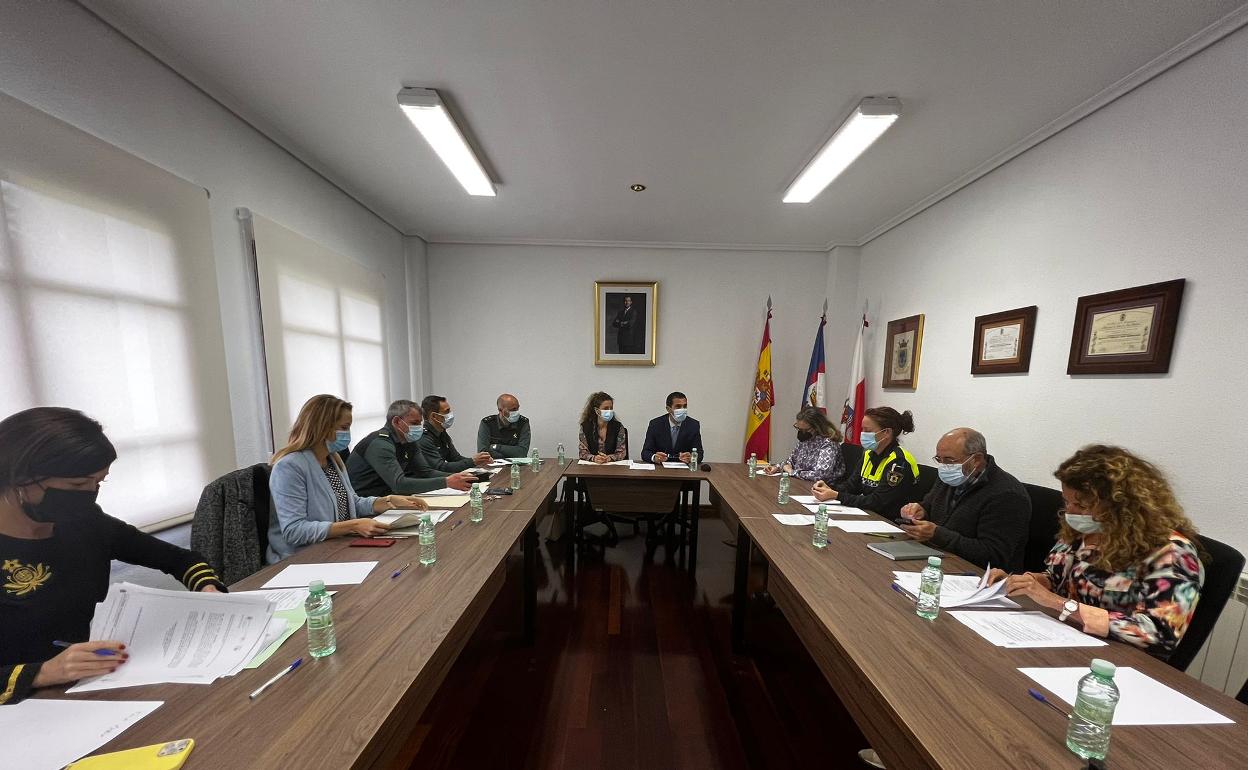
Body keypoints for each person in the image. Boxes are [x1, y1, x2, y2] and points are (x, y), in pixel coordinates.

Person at [0, 407, 227, 705]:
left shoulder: (85, 522)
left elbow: (181, 560)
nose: (90, 494)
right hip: (22, 712)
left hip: (93, 688)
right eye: (77, 485)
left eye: (99, 483)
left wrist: (209, 591)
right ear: (22, 477)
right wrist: (42, 672)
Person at [989, 445, 1204, 660]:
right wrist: (1025, 582)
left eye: (1082, 505)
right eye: (1067, 501)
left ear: (1121, 505)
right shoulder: (1082, 531)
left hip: (1120, 661)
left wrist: (1059, 604)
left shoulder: (1171, 553)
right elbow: (1059, 579)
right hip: (1064, 640)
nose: (1070, 512)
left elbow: (1158, 633)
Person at [267, 395, 426, 563]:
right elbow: (294, 530)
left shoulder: (332, 459)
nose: (347, 434)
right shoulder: (290, 467)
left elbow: (351, 504)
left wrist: (387, 501)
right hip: (302, 558)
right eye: (343, 427)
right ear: (322, 427)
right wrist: (353, 525)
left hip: (337, 547)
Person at [897, 428, 1031, 571]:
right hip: (937, 557)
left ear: (976, 460)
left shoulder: (1007, 494)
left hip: (980, 576)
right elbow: (930, 506)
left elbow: (994, 555)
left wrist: (937, 534)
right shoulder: (950, 477)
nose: (943, 466)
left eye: (949, 460)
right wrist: (920, 510)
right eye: (939, 459)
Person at [348, 400, 474, 497]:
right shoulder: (380, 444)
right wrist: (446, 482)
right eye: (414, 423)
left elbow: (426, 472)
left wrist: (459, 477)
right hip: (367, 506)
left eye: (420, 422)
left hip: (391, 500)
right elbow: (399, 484)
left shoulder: (408, 439)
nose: (419, 427)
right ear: (397, 422)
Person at [812, 406, 919, 520]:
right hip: (868, 516)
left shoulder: (899, 462)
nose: (862, 434)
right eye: (862, 429)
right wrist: (829, 488)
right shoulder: (869, 454)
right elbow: (852, 486)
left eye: (867, 431)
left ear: (886, 432)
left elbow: (878, 502)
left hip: (891, 522)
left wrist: (836, 495)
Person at [765, 406, 846, 484]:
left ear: (817, 427)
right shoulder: (805, 440)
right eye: (799, 429)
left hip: (823, 488)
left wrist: (792, 472)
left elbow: (821, 475)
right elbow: (791, 461)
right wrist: (778, 467)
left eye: (806, 430)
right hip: (800, 483)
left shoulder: (828, 443)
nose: (802, 433)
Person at [417, 395, 491, 473]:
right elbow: (440, 467)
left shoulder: (442, 433)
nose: (450, 414)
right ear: (434, 416)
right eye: (447, 411)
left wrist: (479, 461)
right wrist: (472, 461)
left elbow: (455, 458)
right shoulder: (424, 438)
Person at [641, 391, 704, 464]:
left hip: (684, 469)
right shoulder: (655, 424)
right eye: (678, 406)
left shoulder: (693, 425)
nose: (682, 410)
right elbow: (645, 453)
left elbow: (700, 453)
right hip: (661, 468)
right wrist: (654, 457)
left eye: (685, 406)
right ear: (668, 409)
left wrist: (692, 458)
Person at [477, 393, 531, 459]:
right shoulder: (487, 423)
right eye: (513, 409)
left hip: (516, 465)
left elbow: (522, 452)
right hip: (492, 466)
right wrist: (510, 454)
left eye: (517, 409)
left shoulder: (523, 422)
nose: (516, 412)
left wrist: (495, 447)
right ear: (500, 410)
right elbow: (483, 453)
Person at [578, 391, 628, 463]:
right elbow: (582, 453)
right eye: (606, 408)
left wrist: (608, 458)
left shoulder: (618, 427)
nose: (609, 411)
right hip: (591, 468)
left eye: (611, 408)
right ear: (597, 411)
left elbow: (622, 453)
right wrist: (594, 458)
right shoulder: (586, 427)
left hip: (613, 468)